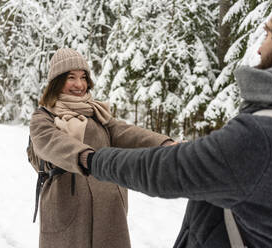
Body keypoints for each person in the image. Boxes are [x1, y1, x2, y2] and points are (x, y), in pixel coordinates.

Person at [78, 0, 272, 247]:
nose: (259, 48)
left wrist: (92, 160)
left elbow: (162, 170)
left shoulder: (262, 139)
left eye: (267, 33)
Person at [29, 47, 174, 248]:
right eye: (71, 77)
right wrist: (86, 157)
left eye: (83, 77)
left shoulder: (96, 112)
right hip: (68, 205)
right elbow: (50, 141)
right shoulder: (43, 116)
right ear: (57, 80)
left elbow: (123, 132)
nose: (79, 84)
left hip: (108, 206)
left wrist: (165, 144)